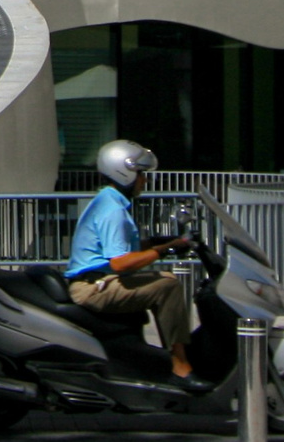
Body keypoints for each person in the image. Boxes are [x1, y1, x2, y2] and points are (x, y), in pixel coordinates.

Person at [63, 140, 209, 389]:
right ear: (125, 172)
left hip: (100, 282)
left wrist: (169, 242)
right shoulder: (113, 210)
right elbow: (120, 263)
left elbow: (130, 247)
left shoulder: (110, 201)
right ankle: (180, 366)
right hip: (93, 286)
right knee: (168, 284)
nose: (145, 181)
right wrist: (165, 249)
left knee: (159, 279)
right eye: (141, 174)